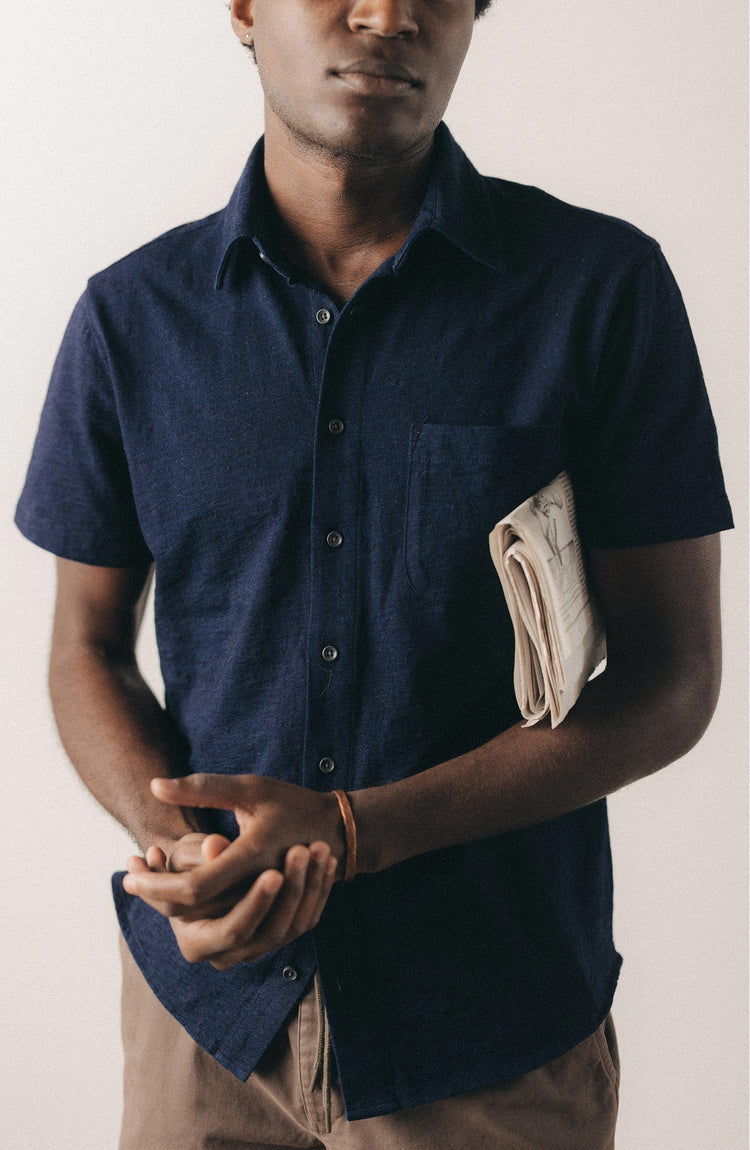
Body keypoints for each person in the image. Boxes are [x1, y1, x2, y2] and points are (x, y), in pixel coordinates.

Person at [14, 0, 734, 1146]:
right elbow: (84, 646)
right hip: (205, 1030)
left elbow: (675, 676)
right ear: (245, 9)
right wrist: (186, 856)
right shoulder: (129, 321)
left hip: (492, 1027)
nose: (389, 14)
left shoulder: (600, 292)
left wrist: (354, 829)